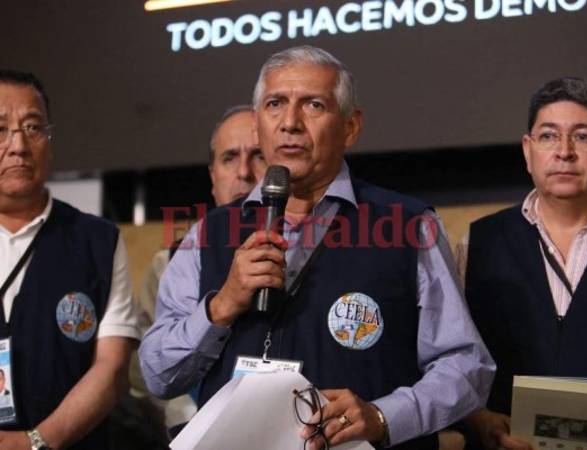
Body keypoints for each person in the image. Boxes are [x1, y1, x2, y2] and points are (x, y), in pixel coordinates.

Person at [140, 46, 494, 450]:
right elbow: (158, 375)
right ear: (257, 124)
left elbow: (467, 367)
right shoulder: (207, 234)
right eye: (275, 104)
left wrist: (382, 416)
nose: (290, 123)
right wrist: (221, 305)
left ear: (350, 127)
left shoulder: (409, 226)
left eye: (313, 105)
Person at [457, 77, 587, 449]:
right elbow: (448, 359)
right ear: (528, 149)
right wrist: (479, 419)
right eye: (548, 136)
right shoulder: (478, 242)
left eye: (583, 136)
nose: (564, 152)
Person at [0, 70, 140, 449]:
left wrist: (35, 443)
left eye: (33, 128)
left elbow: (111, 368)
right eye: (1, 130)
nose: (18, 145)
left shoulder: (98, 241)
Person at [129, 105, 266, 434]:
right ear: (212, 176)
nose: (243, 172)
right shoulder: (172, 261)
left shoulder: (304, 253)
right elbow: (141, 372)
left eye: (258, 156)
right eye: (229, 158)